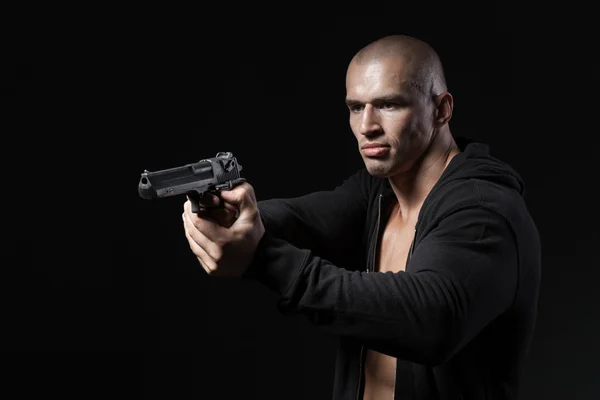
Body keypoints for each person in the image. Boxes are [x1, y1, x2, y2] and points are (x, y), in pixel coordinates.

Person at [181, 35, 542, 400]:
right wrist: (231, 213)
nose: (367, 125)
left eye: (388, 105)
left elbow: (430, 320)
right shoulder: (380, 193)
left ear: (441, 110)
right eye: (355, 107)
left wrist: (263, 256)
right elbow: (302, 218)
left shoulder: (484, 210)